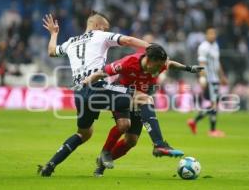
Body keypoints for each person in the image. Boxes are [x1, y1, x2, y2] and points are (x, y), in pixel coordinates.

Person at [38, 11, 180, 177]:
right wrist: (152, 49)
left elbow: (52, 51)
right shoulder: (100, 35)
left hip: (79, 93)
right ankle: (159, 144)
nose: (107, 30)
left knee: (84, 133)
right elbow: (127, 40)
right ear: (98, 26)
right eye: (106, 28)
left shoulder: (71, 42)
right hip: (97, 86)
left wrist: (54, 34)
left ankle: (50, 166)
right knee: (143, 98)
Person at [81, 44, 203, 177]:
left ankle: (101, 164)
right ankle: (158, 144)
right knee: (125, 123)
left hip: (139, 98)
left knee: (131, 141)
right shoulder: (129, 62)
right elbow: (104, 71)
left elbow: (170, 64)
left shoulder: (160, 63)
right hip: (121, 95)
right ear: (150, 61)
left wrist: (189, 68)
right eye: (157, 66)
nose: (158, 70)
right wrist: (89, 80)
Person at [187, 27, 228, 137]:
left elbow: (217, 62)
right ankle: (212, 130)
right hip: (209, 79)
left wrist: (222, 76)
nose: (212, 36)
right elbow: (202, 63)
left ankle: (194, 122)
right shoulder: (203, 47)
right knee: (214, 104)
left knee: (214, 103)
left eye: (214, 34)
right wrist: (202, 78)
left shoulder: (215, 45)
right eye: (210, 34)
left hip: (216, 79)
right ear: (206, 35)